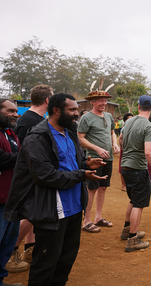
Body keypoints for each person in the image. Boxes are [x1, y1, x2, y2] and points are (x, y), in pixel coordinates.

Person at [4, 93, 107, 286]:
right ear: (56, 110)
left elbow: (70, 163)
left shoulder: (69, 133)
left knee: (65, 261)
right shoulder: (37, 137)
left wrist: (86, 163)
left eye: (77, 109)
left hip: (75, 208)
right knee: (45, 264)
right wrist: (82, 174)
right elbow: (45, 175)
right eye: (72, 110)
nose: (76, 114)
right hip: (52, 211)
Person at [9, 85, 53, 272]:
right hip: (30, 176)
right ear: (48, 101)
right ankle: (10, 252)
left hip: (36, 174)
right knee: (30, 213)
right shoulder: (29, 121)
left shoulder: (36, 118)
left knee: (35, 213)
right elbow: (20, 151)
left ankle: (29, 248)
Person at [119, 95, 151, 252]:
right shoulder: (149, 126)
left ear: (138, 107)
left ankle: (127, 230)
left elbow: (121, 139)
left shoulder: (128, 121)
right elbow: (149, 153)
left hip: (126, 166)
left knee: (133, 199)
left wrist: (128, 152)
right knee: (138, 203)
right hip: (138, 168)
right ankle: (132, 239)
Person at [77, 89, 120, 233]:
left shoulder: (108, 116)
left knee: (102, 187)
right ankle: (86, 220)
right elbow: (80, 138)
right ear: (92, 102)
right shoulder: (86, 118)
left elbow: (112, 132)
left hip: (109, 158)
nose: (104, 103)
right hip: (94, 159)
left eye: (105, 100)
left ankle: (98, 217)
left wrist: (115, 144)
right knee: (92, 188)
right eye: (100, 100)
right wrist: (97, 148)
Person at [0, 98, 25, 286]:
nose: (15, 114)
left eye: (16, 111)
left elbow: (16, 156)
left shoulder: (10, 132)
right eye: (10, 111)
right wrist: (22, 158)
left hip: (13, 197)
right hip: (0, 199)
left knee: (7, 243)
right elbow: (2, 158)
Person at [118, 113, 134, 191]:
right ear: (125, 120)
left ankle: (129, 184)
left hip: (132, 149)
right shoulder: (124, 128)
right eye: (129, 119)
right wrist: (123, 149)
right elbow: (120, 139)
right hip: (125, 150)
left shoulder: (133, 127)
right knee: (123, 166)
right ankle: (123, 185)